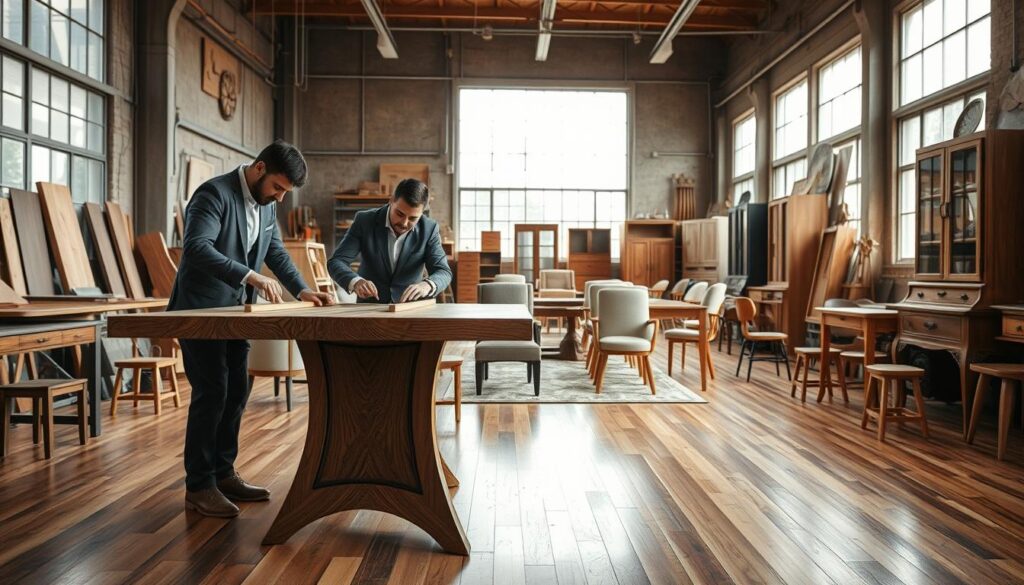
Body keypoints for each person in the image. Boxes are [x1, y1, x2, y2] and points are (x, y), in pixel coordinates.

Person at [168, 140, 335, 518]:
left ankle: (224, 473)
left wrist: (303, 289)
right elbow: (195, 247)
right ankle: (199, 486)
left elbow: (275, 252)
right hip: (200, 311)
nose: (279, 198)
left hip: (236, 314)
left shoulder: (266, 206)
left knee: (236, 391)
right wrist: (251, 276)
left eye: (285, 193)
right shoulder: (214, 193)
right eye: (277, 187)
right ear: (259, 168)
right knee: (212, 392)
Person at [328, 178, 452, 303]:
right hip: (370, 307)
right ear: (391, 201)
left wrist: (428, 285)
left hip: (410, 308)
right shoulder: (364, 221)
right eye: (399, 214)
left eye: (413, 218)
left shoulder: (429, 229)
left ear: (422, 212)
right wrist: (355, 281)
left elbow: (443, 271)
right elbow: (336, 262)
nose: (404, 223)